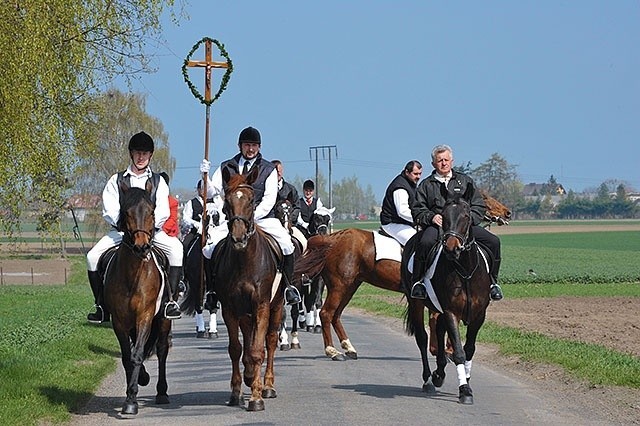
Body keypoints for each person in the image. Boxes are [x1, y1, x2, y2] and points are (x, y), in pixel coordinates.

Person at [86, 131, 183, 323]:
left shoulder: (158, 181)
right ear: (131, 154)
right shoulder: (117, 179)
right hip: (122, 232)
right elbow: (109, 209)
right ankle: (102, 305)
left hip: (151, 233)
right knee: (92, 257)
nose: (141, 157)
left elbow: (163, 210)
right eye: (137, 153)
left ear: (150, 155)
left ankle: (169, 303)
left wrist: (148, 230)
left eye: (145, 153)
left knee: (177, 250)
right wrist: (127, 227)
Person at [199, 126, 301, 305]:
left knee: (287, 244)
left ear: (259, 147)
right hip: (233, 219)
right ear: (239, 146)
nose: (251, 149)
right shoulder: (227, 167)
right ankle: (212, 290)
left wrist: (250, 217)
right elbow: (210, 192)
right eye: (247, 145)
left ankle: (288, 287)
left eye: (254, 145)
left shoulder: (268, 169)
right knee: (208, 248)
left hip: (263, 219)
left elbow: (269, 199)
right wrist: (204, 175)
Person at [409, 144, 503, 301]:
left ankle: (493, 283)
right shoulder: (426, 185)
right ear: (433, 164)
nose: (443, 163)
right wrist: (431, 217)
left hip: (463, 228)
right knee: (424, 242)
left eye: (446, 159)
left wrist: (469, 220)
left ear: (452, 161)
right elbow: (417, 210)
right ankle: (418, 283)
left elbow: (478, 204)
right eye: (439, 160)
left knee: (494, 241)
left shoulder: (465, 181)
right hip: (437, 227)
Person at [380, 160, 423, 246]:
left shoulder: (410, 183)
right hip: (393, 224)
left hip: (404, 223)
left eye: (420, 174)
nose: (418, 177)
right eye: (415, 174)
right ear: (407, 172)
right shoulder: (400, 188)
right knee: (417, 242)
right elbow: (402, 212)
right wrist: (420, 219)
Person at [272, 159, 302, 229]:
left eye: (280, 171)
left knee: (303, 240)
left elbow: (297, 207)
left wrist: (288, 219)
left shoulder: (291, 189)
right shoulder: (265, 189)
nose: (279, 174)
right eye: (276, 172)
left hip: (289, 225)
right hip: (271, 225)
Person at [160, 172, 180, 238]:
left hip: (169, 233)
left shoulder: (172, 202)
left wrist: (161, 230)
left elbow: (172, 219)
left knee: (179, 247)